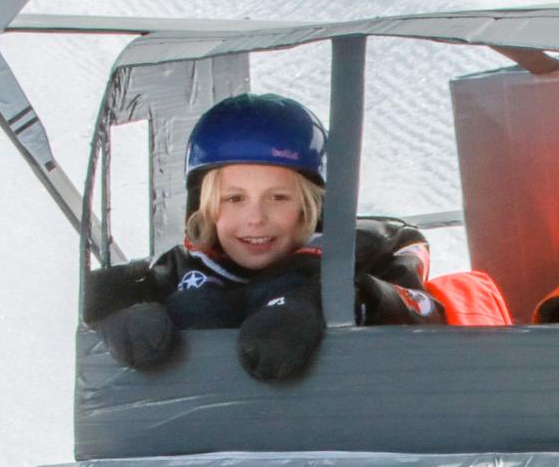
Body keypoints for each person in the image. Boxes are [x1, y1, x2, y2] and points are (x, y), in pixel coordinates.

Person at [83, 93, 444, 381]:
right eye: (234, 199)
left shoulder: (368, 250)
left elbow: (426, 313)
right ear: (204, 206)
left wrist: (335, 300)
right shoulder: (179, 269)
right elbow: (98, 300)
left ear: (311, 206)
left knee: (278, 290)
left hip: (341, 436)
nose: (255, 219)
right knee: (196, 308)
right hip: (207, 449)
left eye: (278, 198)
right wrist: (120, 317)